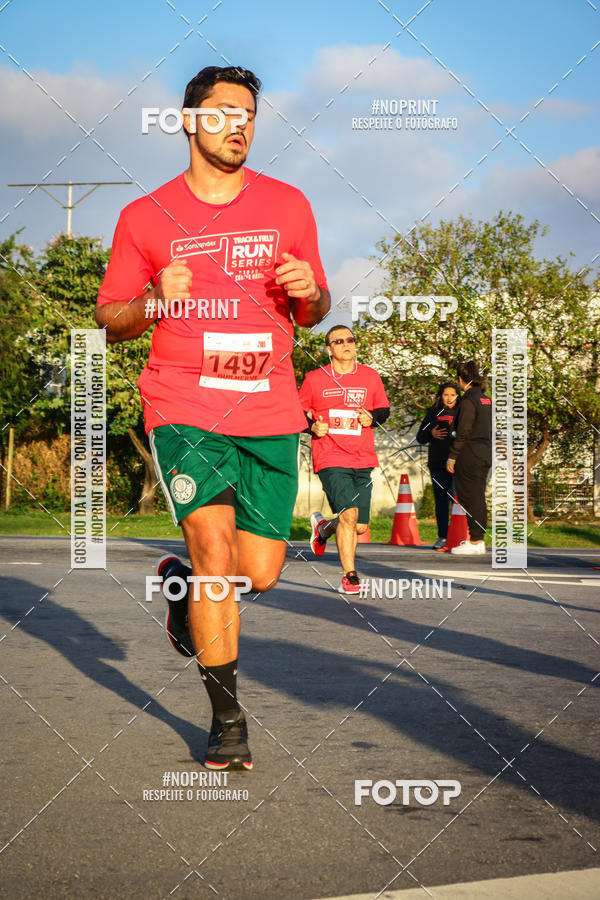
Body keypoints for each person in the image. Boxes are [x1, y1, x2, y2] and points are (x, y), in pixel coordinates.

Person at [95, 66, 330, 770]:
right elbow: (111, 318)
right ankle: (228, 720)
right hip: (184, 404)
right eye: (226, 111)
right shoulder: (144, 217)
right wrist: (155, 301)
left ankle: (181, 598)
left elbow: (317, 305)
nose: (241, 125)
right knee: (216, 562)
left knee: (260, 574)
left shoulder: (289, 205)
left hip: (269, 408)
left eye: (251, 115)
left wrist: (310, 291)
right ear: (188, 120)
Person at [298, 325, 389, 593]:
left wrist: (372, 418)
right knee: (349, 515)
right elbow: (295, 412)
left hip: (362, 456)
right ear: (329, 349)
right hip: (330, 455)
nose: (347, 344)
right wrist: (311, 427)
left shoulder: (371, 377)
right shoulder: (315, 379)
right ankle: (350, 576)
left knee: (359, 525)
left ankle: (324, 528)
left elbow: (384, 409)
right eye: (339, 341)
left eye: (350, 339)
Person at [446, 361, 492, 555]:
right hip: (484, 453)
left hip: (469, 454)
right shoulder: (486, 400)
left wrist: (452, 456)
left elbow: (463, 431)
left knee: (469, 497)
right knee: (478, 496)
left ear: (461, 379)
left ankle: (475, 541)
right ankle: (478, 539)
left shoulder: (468, 401)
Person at [416, 382, 460, 550]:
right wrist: (431, 433)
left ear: (458, 396)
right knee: (441, 501)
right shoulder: (433, 413)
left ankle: (460, 537)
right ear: (441, 396)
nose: (449, 398)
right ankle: (443, 536)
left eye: (452, 395)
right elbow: (420, 437)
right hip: (437, 464)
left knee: (456, 500)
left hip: (457, 464)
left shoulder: (462, 411)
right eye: (446, 395)